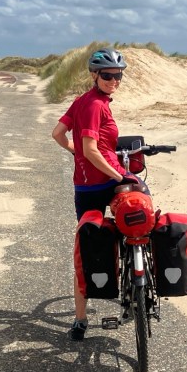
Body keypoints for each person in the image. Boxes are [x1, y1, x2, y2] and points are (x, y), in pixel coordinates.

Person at [51, 47, 139, 341]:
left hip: (84, 186)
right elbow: (91, 149)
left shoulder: (81, 101)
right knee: (138, 213)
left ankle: (80, 320)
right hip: (102, 184)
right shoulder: (95, 105)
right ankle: (137, 270)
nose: (114, 80)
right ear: (94, 75)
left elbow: (57, 134)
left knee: (87, 246)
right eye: (108, 75)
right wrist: (119, 175)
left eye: (119, 75)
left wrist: (73, 152)